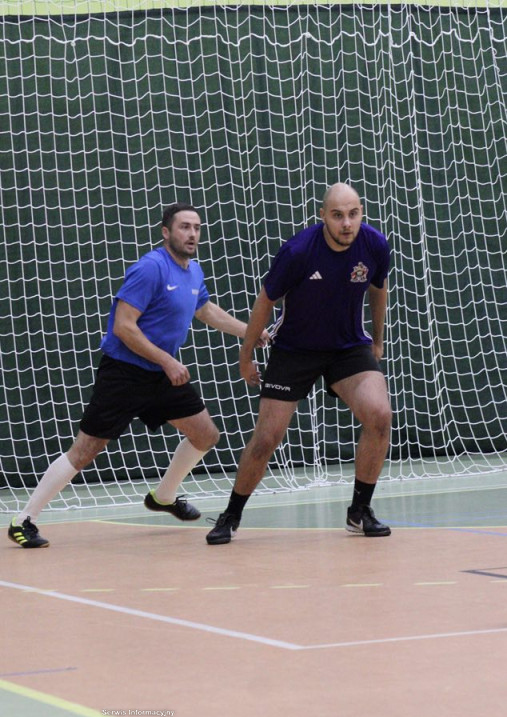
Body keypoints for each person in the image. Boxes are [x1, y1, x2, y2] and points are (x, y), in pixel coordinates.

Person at [8, 203, 269, 548]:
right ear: (166, 232)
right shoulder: (150, 269)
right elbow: (124, 327)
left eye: (196, 228)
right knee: (86, 449)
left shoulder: (193, 271)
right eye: (184, 227)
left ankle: (163, 496)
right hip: (125, 374)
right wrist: (168, 362)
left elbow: (206, 310)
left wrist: (252, 332)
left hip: (160, 375)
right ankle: (23, 520)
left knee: (205, 435)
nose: (192, 234)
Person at [206, 183, 392, 545]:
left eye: (353, 213)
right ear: (323, 215)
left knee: (380, 415)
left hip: (347, 347)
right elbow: (265, 303)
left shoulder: (375, 245)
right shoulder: (298, 251)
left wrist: (378, 338)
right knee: (266, 439)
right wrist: (246, 358)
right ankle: (231, 515)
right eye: (337, 215)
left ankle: (359, 512)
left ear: (361, 212)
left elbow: (378, 289)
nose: (346, 223)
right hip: (294, 350)